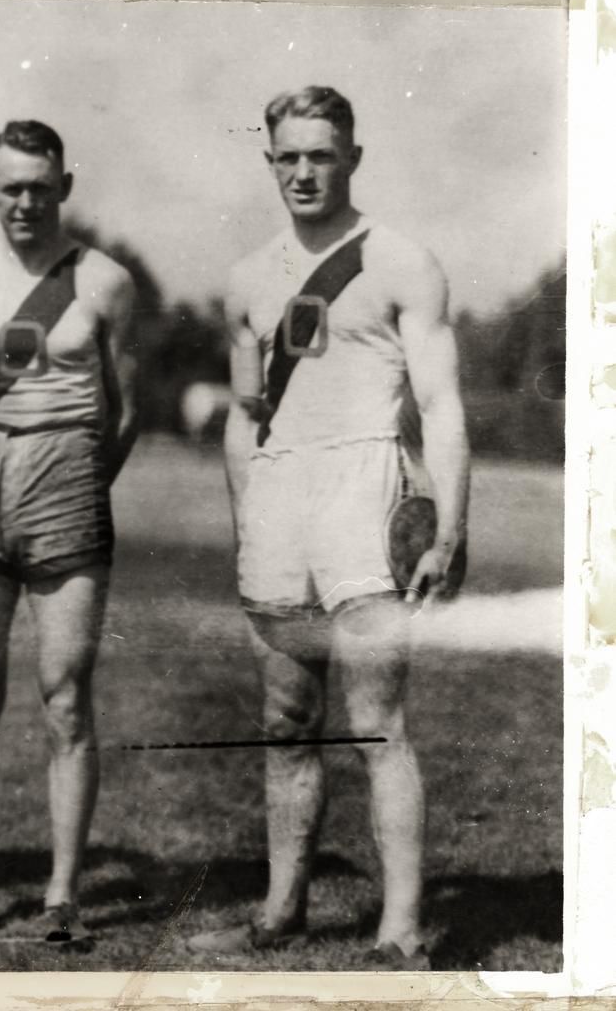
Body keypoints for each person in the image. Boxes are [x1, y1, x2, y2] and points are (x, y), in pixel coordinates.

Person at [187, 86, 469, 970]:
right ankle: (281, 910)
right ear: (267, 160)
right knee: (284, 718)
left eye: (320, 155)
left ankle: (399, 928)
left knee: (377, 720)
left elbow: (442, 404)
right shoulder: (245, 277)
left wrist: (448, 532)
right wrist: (245, 519)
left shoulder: (400, 262)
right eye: (287, 157)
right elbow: (242, 415)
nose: (303, 171)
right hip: (279, 499)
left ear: (351, 157)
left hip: (365, 487)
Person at [0, 120, 139, 944]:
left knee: (64, 700)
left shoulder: (105, 283)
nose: (24, 201)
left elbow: (127, 410)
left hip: (66, 493)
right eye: (9, 187)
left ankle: (60, 896)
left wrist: (75, 481)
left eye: (39, 187)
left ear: (63, 187)